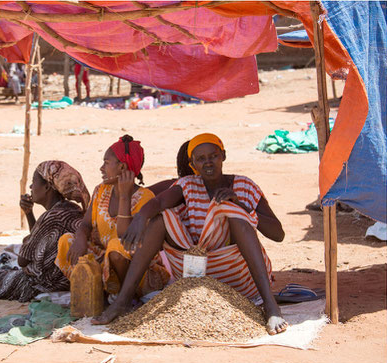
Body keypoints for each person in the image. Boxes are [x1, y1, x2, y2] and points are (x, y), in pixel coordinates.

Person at [93, 133, 288, 335]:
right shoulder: (187, 185)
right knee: (162, 219)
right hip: (193, 279)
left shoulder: (245, 186)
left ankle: (271, 306)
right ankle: (123, 300)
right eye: (200, 159)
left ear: (223, 156)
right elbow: (159, 202)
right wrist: (142, 216)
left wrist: (240, 206)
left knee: (235, 215)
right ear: (193, 163)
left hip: (237, 276)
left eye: (213, 156)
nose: (208, 163)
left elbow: (278, 234)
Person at [0, 160, 90, 302]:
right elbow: (41, 244)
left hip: (43, 285)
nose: (31, 186)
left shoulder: (52, 217)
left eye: (34, 182)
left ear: (47, 187)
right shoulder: (72, 210)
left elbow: (23, 260)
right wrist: (29, 213)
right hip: (63, 280)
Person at [56, 135, 170, 300]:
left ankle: (125, 296)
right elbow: (86, 224)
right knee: (67, 240)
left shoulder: (145, 197)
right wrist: (80, 239)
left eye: (106, 163)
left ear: (122, 168)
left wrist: (124, 195)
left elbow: (126, 238)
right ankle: (99, 290)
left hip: (137, 270)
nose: (101, 168)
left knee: (117, 246)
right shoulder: (101, 190)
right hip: (106, 259)